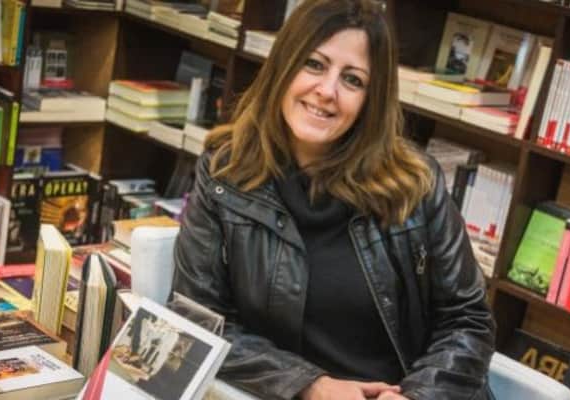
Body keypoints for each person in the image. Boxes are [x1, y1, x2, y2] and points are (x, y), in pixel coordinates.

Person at [172, 1, 495, 399]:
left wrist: (415, 395)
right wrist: (311, 385)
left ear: (371, 100)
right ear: (283, 64)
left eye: (353, 80)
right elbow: (198, 319)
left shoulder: (416, 184)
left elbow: (467, 320)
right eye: (314, 64)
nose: (327, 92)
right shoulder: (225, 174)